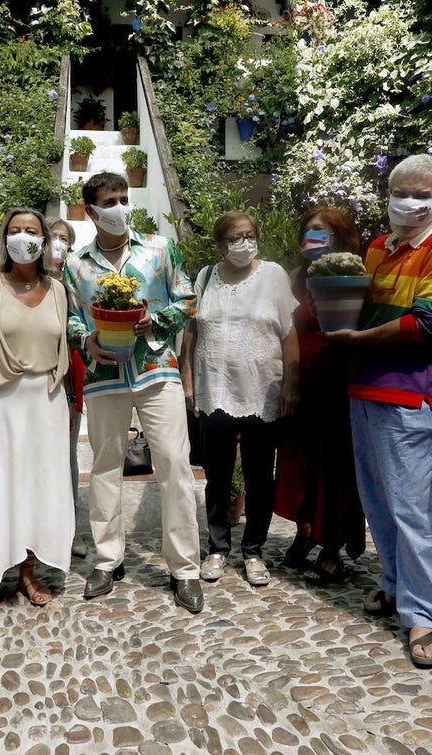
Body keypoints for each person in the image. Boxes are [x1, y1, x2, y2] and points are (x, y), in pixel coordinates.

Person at [322, 154, 432, 668]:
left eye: (419, 194)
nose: (407, 202)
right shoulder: (379, 247)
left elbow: (431, 322)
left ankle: (426, 614)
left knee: (413, 511)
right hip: (363, 387)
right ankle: (394, 585)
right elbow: (359, 302)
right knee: (378, 501)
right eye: (399, 192)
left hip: (408, 394)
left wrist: (357, 336)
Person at [63, 171, 204, 613]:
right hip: (105, 378)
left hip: (156, 369)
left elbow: (186, 299)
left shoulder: (160, 249)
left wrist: (157, 322)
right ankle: (107, 560)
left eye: (124, 198)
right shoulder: (75, 264)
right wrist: (85, 340)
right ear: (90, 211)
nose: (120, 207)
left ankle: (185, 569)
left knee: (175, 466)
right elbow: (70, 318)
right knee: (105, 467)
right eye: (110, 201)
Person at [0, 208, 74, 618]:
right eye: (15, 230)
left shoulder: (57, 290)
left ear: (44, 242)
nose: (24, 237)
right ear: (4, 237)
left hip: (45, 403)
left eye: (32, 231)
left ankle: (27, 572)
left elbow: (65, 350)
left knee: (37, 489)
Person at [180, 211, 298, 586]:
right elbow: (192, 330)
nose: (244, 242)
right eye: (235, 237)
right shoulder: (205, 277)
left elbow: (289, 334)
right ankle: (217, 548)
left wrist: (291, 384)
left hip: (262, 390)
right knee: (215, 475)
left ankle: (254, 550)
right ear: (220, 245)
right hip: (213, 388)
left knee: (261, 474)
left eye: (250, 235)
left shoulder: (274, 275)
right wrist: (186, 376)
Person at [272, 206, 367, 583]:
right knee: (300, 461)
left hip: (340, 378)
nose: (313, 236)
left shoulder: (356, 273)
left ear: (340, 237)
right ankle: (304, 531)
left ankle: (333, 545)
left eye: (322, 230)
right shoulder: (294, 276)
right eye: (308, 230)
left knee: (336, 464)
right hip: (302, 379)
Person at [47, 217, 90, 559]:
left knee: (67, 457)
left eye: (65, 239)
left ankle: (71, 530)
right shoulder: (27, 282)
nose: (59, 244)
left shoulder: (71, 285)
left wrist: (74, 392)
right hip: (33, 383)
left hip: (69, 382)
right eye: (54, 237)